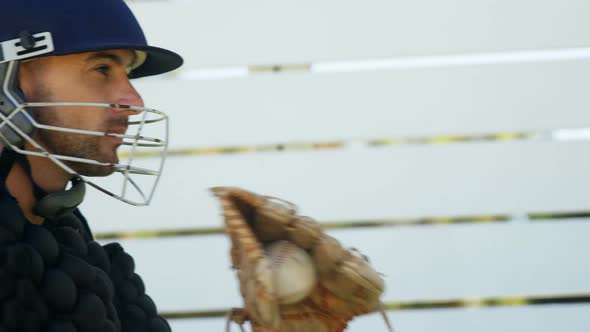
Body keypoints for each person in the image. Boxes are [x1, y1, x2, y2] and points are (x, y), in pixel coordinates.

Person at [0, 1, 183, 331]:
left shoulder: (71, 248)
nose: (134, 102)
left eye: (126, 74)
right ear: (6, 85)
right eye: (102, 69)